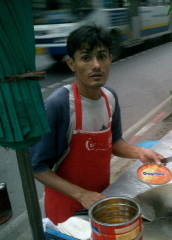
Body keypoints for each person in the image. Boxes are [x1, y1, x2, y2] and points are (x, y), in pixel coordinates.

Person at [29, 24, 164, 225]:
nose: (96, 65)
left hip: (101, 199)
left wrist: (138, 153)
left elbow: (114, 141)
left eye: (101, 56)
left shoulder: (110, 98)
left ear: (110, 58)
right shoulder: (59, 105)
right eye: (86, 58)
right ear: (71, 63)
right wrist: (81, 194)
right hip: (66, 207)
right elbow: (37, 167)